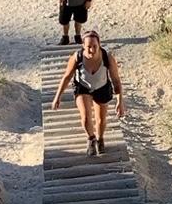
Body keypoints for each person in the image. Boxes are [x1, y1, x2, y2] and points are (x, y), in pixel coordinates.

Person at [52, 28, 124, 156]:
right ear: (83, 46)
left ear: (99, 44)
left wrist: (120, 102)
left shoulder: (107, 58)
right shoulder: (77, 57)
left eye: (95, 46)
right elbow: (67, 77)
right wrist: (57, 97)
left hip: (102, 87)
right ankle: (91, 138)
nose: (92, 50)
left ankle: (100, 139)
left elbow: (116, 81)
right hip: (82, 87)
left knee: (100, 120)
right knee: (85, 117)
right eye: (89, 47)